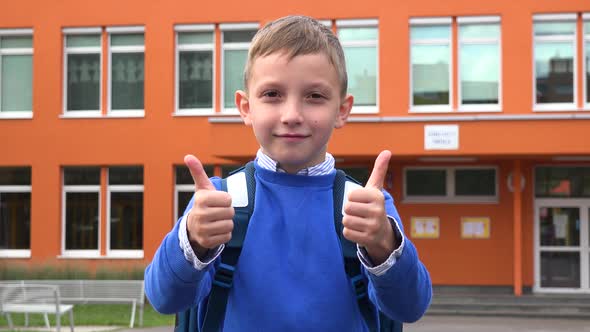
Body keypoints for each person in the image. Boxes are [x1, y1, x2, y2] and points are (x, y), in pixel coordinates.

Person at [144, 15, 432, 331]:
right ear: (245, 108)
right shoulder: (218, 200)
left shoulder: (366, 206)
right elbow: (164, 299)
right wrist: (192, 240)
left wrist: (383, 245)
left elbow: (410, 306)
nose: (292, 115)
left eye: (315, 96)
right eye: (272, 95)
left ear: (342, 110)